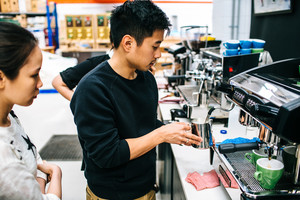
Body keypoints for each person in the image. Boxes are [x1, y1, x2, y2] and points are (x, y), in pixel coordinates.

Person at [70, 1, 202, 199]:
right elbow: (108, 154)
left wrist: (181, 132)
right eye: (155, 46)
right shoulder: (93, 88)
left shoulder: (146, 78)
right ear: (128, 43)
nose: (158, 54)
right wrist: (161, 134)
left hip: (146, 187)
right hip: (111, 195)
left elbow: (143, 125)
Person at [0, 22, 62, 200]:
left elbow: (30, 156)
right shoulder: (3, 158)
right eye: (34, 75)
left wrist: (38, 179)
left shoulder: (8, 116)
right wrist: (55, 174)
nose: (41, 83)